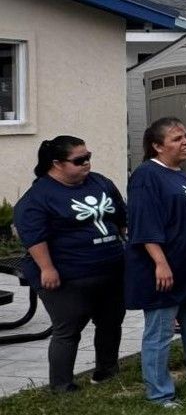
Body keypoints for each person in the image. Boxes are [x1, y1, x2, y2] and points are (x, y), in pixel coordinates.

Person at [14, 136, 126, 393]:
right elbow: (33, 234)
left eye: (88, 157)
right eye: (79, 160)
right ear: (57, 164)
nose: (86, 163)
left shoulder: (100, 182)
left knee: (110, 322)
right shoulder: (40, 195)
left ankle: (107, 371)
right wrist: (47, 268)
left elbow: (120, 214)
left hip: (109, 268)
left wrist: (127, 239)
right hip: (68, 274)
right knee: (68, 328)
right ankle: (62, 385)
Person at [125, 118, 186, 408]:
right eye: (177, 138)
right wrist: (160, 262)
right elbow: (143, 223)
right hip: (164, 267)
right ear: (157, 146)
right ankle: (159, 393)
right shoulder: (146, 176)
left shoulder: (180, 174)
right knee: (160, 331)